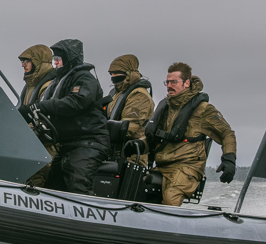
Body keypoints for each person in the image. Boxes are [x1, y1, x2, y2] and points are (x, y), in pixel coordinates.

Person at [144, 61, 239, 206]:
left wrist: (229, 159)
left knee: (170, 199)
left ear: (186, 83)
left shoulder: (203, 109)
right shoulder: (166, 108)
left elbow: (227, 133)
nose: (169, 86)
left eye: (174, 82)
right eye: (167, 82)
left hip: (187, 167)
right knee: (138, 190)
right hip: (163, 165)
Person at [32, 38, 109, 194]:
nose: (56, 63)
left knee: (77, 184)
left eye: (59, 59)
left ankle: (89, 213)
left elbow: (76, 102)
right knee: (53, 185)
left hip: (88, 142)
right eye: (54, 60)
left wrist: (41, 106)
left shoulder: (85, 79)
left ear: (69, 59)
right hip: (68, 143)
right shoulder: (58, 81)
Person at [17, 43, 57, 186]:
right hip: (29, 140)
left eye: (27, 62)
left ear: (38, 63)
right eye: (23, 62)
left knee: (36, 175)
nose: (23, 65)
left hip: (44, 144)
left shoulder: (50, 86)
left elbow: (46, 117)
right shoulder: (29, 86)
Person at [102, 54, 154, 143]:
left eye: (116, 73)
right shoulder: (116, 94)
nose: (113, 76)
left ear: (128, 73)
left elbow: (129, 126)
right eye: (111, 74)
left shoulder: (139, 95)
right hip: (114, 148)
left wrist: (99, 133)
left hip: (131, 152)